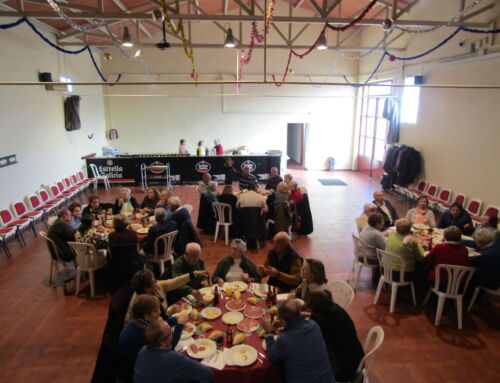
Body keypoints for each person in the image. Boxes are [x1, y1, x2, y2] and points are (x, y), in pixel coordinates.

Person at [260, 299, 335, 383]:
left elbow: (273, 357)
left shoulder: (285, 339)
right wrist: (284, 324)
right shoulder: (314, 325)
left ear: (283, 321)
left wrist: (269, 332)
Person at [305, 291, 364, 382]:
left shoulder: (327, 323)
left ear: (317, 311)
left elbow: (316, 342)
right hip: (355, 356)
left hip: (343, 368)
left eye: (310, 310)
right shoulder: (334, 308)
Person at [134, 319, 213, 383]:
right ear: (162, 342)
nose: (172, 335)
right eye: (170, 333)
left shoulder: (143, 350)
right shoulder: (174, 358)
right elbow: (207, 373)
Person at [119, 294, 187, 365]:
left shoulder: (139, 320)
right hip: (145, 364)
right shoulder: (145, 332)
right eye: (156, 311)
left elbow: (159, 325)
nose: (160, 312)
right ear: (146, 315)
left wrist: (176, 319)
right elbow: (168, 345)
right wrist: (180, 325)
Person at [125, 269, 209, 323]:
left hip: (164, 321)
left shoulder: (156, 287)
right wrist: (169, 313)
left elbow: (174, 282)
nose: (157, 282)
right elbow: (154, 324)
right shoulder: (140, 304)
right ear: (146, 288)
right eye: (153, 282)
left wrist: (194, 274)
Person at [108, 214, 142, 293]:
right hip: (133, 263)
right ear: (126, 222)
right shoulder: (133, 234)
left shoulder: (111, 236)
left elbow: (111, 253)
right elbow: (137, 250)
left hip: (117, 265)